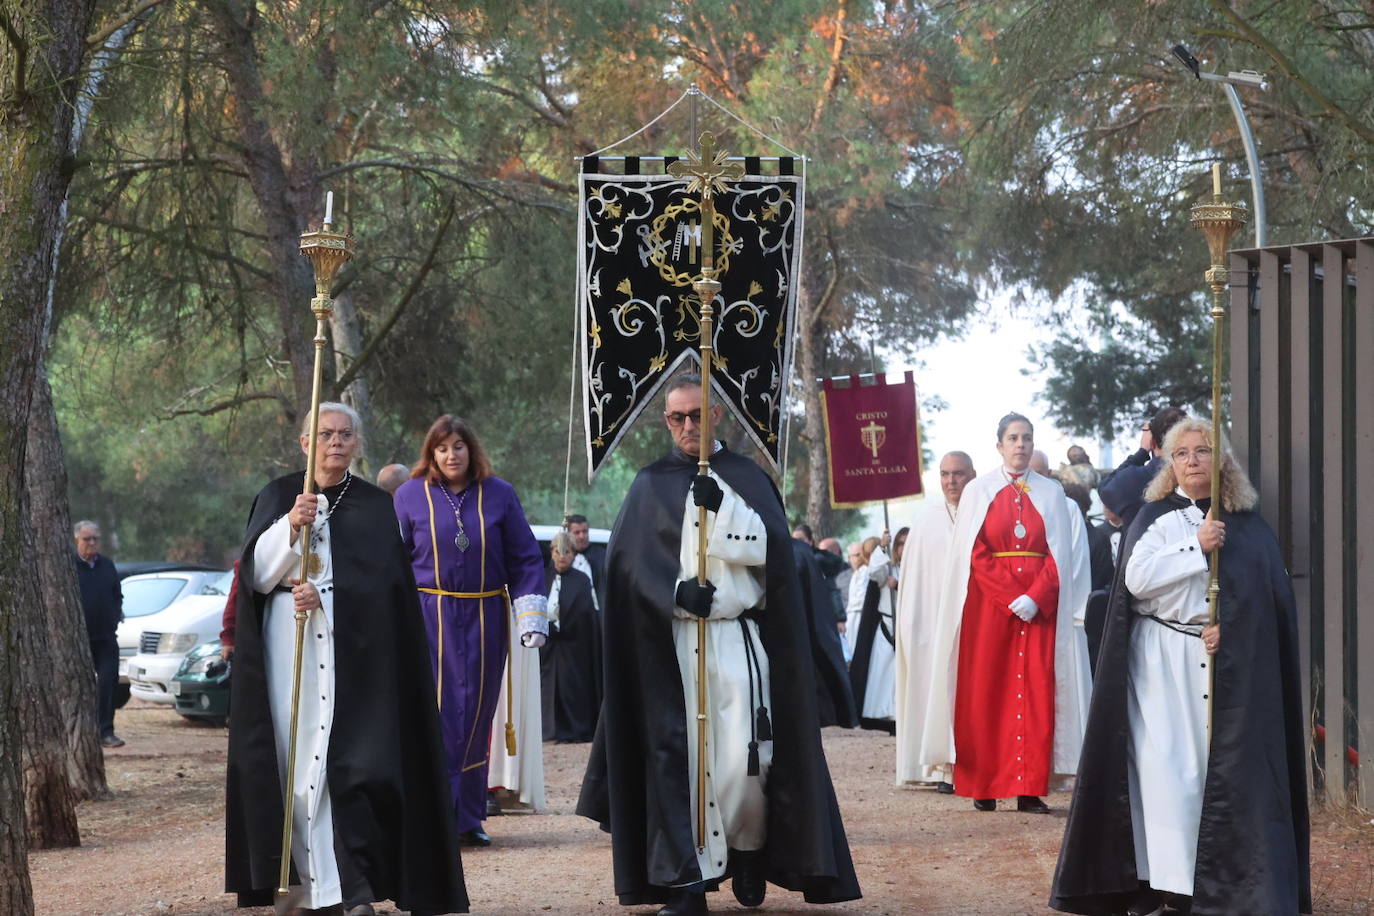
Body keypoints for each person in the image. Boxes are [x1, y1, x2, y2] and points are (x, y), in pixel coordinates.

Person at [577, 372, 860, 916]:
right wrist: (675, 591)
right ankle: (688, 882)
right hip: (676, 648)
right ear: (667, 422)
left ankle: (747, 854)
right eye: (677, 418)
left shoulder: (745, 477)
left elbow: (779, 556)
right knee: (679, 763)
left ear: (716, 415)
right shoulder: (649, 483)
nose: (687, 426)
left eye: (696, 415)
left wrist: (725, 507)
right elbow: (628, 569)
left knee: (741, 764)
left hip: (735, 642)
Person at [1051, 418, 1311, 916]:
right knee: (1167, 773)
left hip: (1221, 666)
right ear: (1170, 464)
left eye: (1204, 451)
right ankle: (1170, 886)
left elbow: (1265, 601)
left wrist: (1231, 628)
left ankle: (1222, 883)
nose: (1193, 460)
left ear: (1221, 462)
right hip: (1160, 662)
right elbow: (1138, 580)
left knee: (1214, 776)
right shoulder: (1155, 518)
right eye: (1183, 453)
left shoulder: (1249, 526)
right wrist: (1198, 547)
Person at [225, 402, 466, 916]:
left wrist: (327, 601)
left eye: (345, 435)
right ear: (305, 442)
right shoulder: (277, 495)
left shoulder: (376, 507)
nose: (336, 443)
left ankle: (346, 889)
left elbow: (387, 594)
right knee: (293, 765)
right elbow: (256, 578)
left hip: (350, 658)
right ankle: (302, 892)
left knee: (346, 769)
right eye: (325, 434)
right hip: (285, 651)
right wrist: (291, 524)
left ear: (357, 444)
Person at [920, 413, 1092, 814]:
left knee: (1035, 692)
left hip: (1039, 610)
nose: (1021, 445)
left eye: (1027, 438)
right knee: (986, 691)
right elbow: (973, 551)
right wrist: (1009, 594)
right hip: (990, 608)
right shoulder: (979, 491)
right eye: (1013, 438)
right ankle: (985, 784)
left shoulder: (1052, 494)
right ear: (999, 445)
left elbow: (1060, 556)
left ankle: (1029, 787)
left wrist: (1035, 596)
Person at [393, 415, 549, 847]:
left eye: (458, 446)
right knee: (439, 713)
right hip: (430, 616)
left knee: (477, 714)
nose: (451, 455)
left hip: (485, 617)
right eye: (442, 447)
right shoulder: (410, 495)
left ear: (471, 449)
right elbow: (394, 564)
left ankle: (468, 817)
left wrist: (531, 614)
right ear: (431, 452)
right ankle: (433, 813)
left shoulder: (499, 494)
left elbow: (525, 557)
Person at [894, 451, 975, 790]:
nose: (951, 481)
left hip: (973, 623)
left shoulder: (986, 512)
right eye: (944, 474)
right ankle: (940, 767)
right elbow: (913, 586)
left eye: (958, 474)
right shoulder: (925, 521)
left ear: (972, 474)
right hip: (932, 625)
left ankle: (972, 767)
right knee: (935, 692)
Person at [790, 527, 858, 729]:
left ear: (810, 541)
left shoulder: (819, 560)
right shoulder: (796, 555)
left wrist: (839, 617)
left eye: (802, 539)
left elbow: (834, 585)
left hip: (819, 619)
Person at [542, 532, 601, 742]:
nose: (562, 557)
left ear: (574, 555)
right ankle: (547, 729)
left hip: (574, 646)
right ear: (551, 553)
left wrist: (567, 624)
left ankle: (573, 729)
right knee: (546, 689)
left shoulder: (581, 580)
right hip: (546, 648)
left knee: (571, 689)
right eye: (558, 552)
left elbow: (586, 614)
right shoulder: (543, 577)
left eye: (567, 552)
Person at [74, 521, 124, 749]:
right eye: (87, 539)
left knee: (107, 682)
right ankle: (80, 733)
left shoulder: (107, 565)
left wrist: (114, 616)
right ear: (77, 540)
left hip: (106, 637)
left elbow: (117, 594)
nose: (92, 543)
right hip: (78, 640)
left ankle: (106, 732)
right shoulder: (68, 566)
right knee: (77, 686)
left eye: (95, 538)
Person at [1100, 406, 1187, 529]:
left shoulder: (1131, 480)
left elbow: (1104, 488)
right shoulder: (1198, 473)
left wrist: (1142, 452)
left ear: (1152, 441)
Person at [847, 534, 897, 733]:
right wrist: (883, 548)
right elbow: (876, 572)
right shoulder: (881, 568)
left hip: (902, 621)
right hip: (885, 622)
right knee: (883, 670)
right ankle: (883, 711)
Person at [566, 513, 606, 612]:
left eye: (585, 531)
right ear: (569, 534)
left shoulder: (601, 555)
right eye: (577, 532)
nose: (582, 536)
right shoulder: (562, 556)